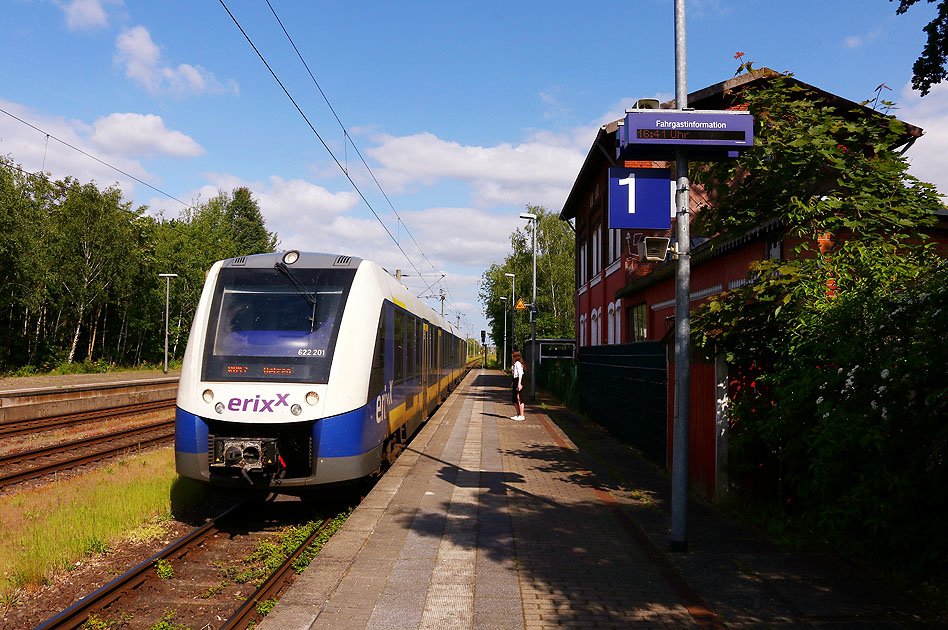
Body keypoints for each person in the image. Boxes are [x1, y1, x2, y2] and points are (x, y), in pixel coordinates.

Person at [510, 350, 525, 421]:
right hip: (515, 380)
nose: (511, 356)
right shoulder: (515, 364)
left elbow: (520, 374)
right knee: (515, 398)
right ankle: (518, 414)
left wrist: (519, 383)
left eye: (512, 355)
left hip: (518, 381)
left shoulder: (518, 364)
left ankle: (522, 415)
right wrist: (513, 382)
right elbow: (514, 374)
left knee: (519, 398)